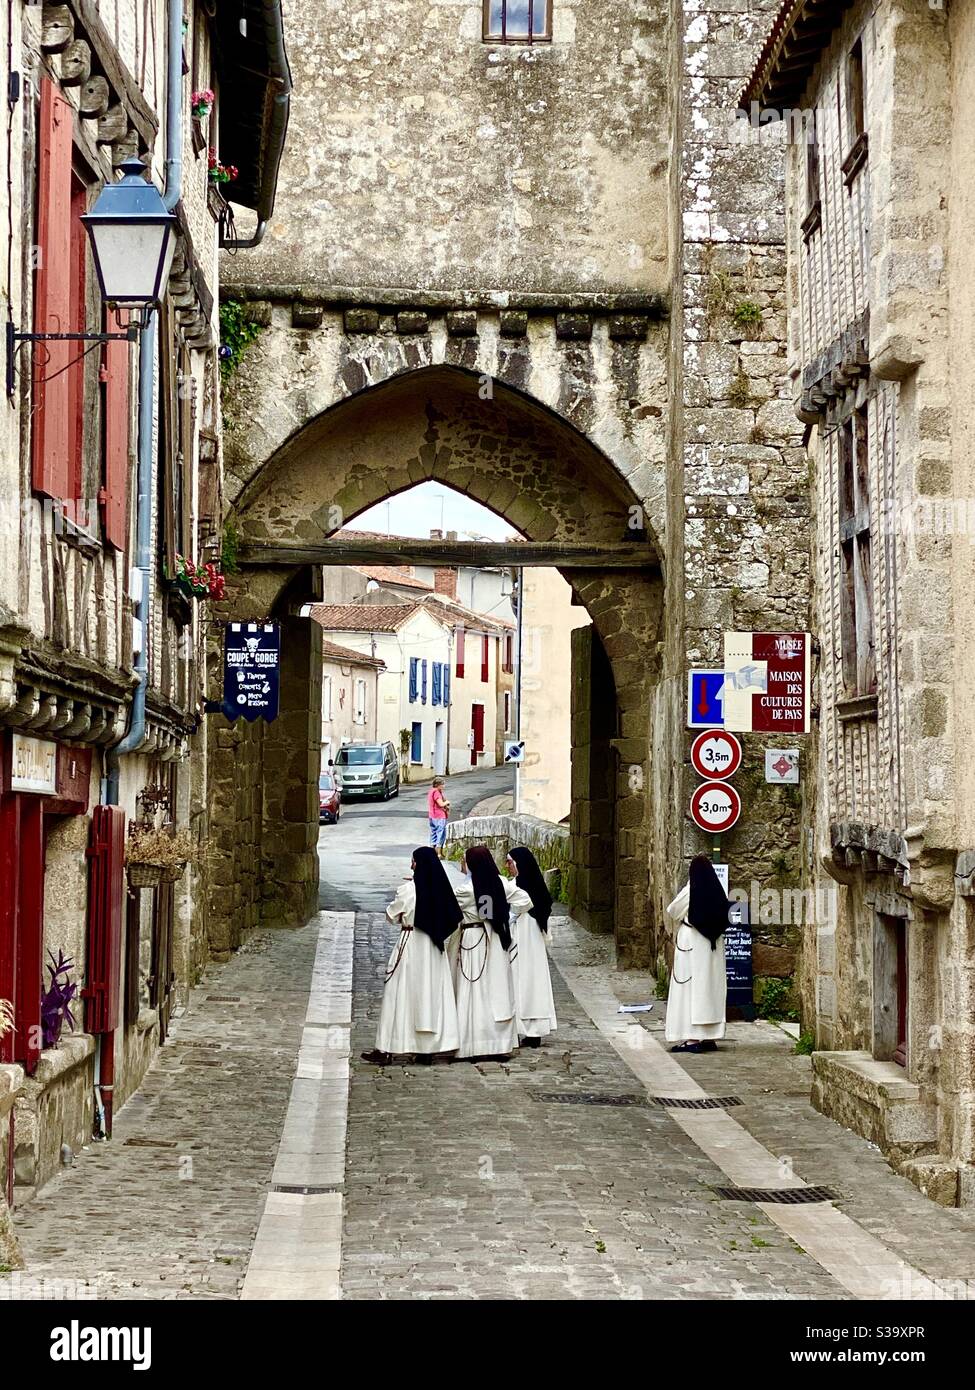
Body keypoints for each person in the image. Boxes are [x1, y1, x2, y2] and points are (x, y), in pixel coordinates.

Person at [361, 847, 462, 1065]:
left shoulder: (408, 890)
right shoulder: (442, 891)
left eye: (413, 861)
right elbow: (453, 918)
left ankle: (388, 1047)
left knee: (400, 994)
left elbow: (391, 915)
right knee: (430, 996)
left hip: (410, 942)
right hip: (434, 949)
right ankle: (427, 1049)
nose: (411, 866)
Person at [451, 845, 532, 1061]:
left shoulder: (465, 891)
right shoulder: (502, 884)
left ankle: (472, 1043)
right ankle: (498, 1043)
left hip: (472, 939)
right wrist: (507, 917)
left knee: (473, 990)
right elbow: (525, 900)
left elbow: (452, 912)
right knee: (496, 989)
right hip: (495, 939)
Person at [664, 854, 731, 1054]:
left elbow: (673, 910)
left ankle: (692, 1038)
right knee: (710, 990)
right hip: (713, 947)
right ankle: (710, 1035)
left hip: (692, 944)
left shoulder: (691, 891)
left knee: (689, 991)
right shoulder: (717, 891)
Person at [506, 846, 557, 1047]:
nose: (508, 866)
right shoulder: (516, 885)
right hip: (521, 937)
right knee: (521, 981)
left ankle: (534, 1029)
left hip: (528, 938)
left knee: (530, 982)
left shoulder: (524, 889)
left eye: (510, 862)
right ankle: (522, 1028)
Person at [427, 777, 450, 858]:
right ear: (437, 785)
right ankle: (438, 853)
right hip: (439, 816)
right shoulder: (436, 792)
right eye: (442, 784)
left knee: (434, 833)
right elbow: (440, 804)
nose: (444, 786)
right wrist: (447, 802)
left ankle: (431, 851)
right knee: (441, 833)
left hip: (432, 816)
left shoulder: (431, 791)